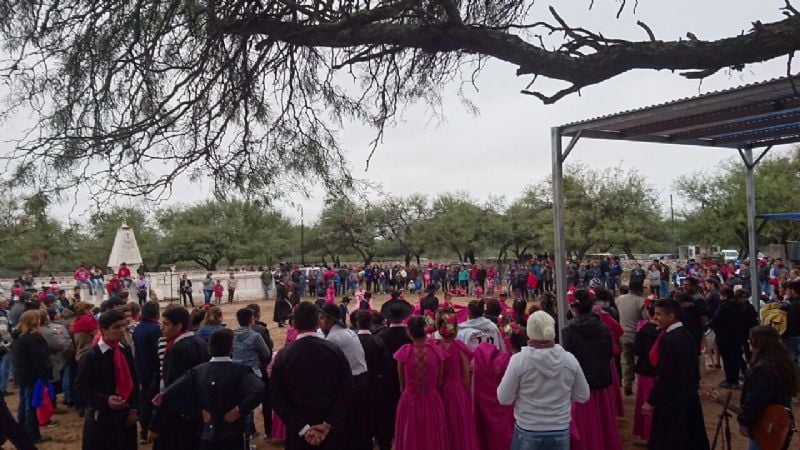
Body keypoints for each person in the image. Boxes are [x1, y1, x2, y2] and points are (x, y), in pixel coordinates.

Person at [159, 328, 265, 450]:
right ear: (232, 349)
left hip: (207, 433)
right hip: (232, 433)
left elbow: (170, 394)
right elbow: (259, 389)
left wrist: (196, 412)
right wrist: (240, 409)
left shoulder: (197, 371)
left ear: (209, 349)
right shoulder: (240, 370)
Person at [498, 311, 590, 450]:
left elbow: (504, 398)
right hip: (559, 428)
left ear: (529, 332)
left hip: (528, 428)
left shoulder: (519, 361)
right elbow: (583, 395)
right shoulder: (569, 360)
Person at [270, 301, 354, 450]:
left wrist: (303, 428)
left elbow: (277, 397)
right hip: (330, 432)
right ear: (317, 322)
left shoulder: (284, 355)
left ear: (294, 324)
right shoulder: (334, 350)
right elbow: (347, 389)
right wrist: (328, 423)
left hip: (299, 433)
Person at [642, 298, 710, 450]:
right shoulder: (685, 334)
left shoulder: (670, 339)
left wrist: (651, 400)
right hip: (688, 397)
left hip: (672, 401)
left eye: (659, 314)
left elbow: (664, 374)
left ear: (671, 316)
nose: (655, 318)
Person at [561, 289, 622, 450]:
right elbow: (610, 353)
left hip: (581, 385)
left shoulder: (569, 330)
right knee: (603, 421)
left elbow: (568, 360)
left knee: (585, 425)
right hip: (601, 382)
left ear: (574, 308)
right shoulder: (602, 326)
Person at [75, 309, 139, 450]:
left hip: (125, 414)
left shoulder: (125, 349)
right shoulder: (92, 356)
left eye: (123, 326)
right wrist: (105, 401)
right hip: (102, 419)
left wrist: (134, 408)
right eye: (116, 327)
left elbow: (134, 379)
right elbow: (81, 388)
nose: (121, 330)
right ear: (103, 329)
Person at [148, 307, 210, 450]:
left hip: (178, 419)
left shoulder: (176, 350)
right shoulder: (201, 343)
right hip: (197, 415)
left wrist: (156, 425)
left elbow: (172, 390)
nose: (162, 328)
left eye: (166, 324)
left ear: (179, 326)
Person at [738, 326, 799, 450]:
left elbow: (755, 399)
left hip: (766, 425)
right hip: (778, 420)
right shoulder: (780, 363)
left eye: (751, 339)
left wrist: (744, 421)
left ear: (758, 342)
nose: (748, 341)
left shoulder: (764, 370)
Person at [318, 302, 369, 450]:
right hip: (361, 380)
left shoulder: (333, 338)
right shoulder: (347, 332)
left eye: (322, 318)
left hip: (352, 383)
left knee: (347, 426)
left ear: (330, 319)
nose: (320, 322)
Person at [393, 316, 448, 450]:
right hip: (432, 399)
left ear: (409, 333)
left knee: (411, 434)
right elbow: (439, 381)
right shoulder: (436, 351)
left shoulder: (405, 352)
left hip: (410, 399)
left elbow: (402, 384)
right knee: (432, 435)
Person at [375, 295, 413, 450]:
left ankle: (388, 435)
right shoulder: (410, 335)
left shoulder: (380, 336)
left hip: (386, 379)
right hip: (408, 378)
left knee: (388, 409)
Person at [10, 310, 53, 444]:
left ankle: (23, 430)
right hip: (33, 376)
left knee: (24, 404)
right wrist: (45, 376)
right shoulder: (33, 338)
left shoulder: (18, 336)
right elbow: (40, 360)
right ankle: (32, 434)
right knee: (32, 405)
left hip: (22, 374)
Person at [232, 308, 270, 440]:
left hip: (236, 371)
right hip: (252, 371)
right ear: (252, 320)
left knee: (241, 402)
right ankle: (247, 436)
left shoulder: (232, 334)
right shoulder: (255, 336)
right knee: (251, 404)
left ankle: (249, 432)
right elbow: (266, 353)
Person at [354, 311, 389, 450]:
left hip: (358, 386)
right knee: (379, 418)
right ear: (371, 324)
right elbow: (386, 365)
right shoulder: (378, 341)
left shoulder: (353, 341)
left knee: (362, 419)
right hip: (376, 384)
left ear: (357, 324)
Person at [133, 301, 161, 443]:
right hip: (154, 371)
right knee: (154, 402)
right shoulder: (156, 329)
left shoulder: (138, 328)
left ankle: (144, 431)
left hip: (141, 369)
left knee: (145, 401)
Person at [632, 300, 659, 443]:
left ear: (649, 313)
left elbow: (636, 350)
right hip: (661, 371)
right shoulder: (665, 331)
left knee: (646, 402)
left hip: (646, 370)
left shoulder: (643, 330)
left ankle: (648, 436)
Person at [709, 286, 744, 388]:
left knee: (727, 359)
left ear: (724, 296)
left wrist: (709, 324)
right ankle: (735, 379)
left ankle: (730, 380)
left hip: (724, 336)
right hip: (736, 336)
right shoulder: (737, 305)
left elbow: (717, 320)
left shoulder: (723, 306)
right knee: (735, 358)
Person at [616, 283, 646, 396]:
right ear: (639, 290)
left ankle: (627, 385)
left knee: (625, 361)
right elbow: (645, 318)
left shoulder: (619, 299)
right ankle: (640, 386)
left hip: (623, 335)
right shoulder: (640, 301)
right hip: (637, 336)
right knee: (639, 361)